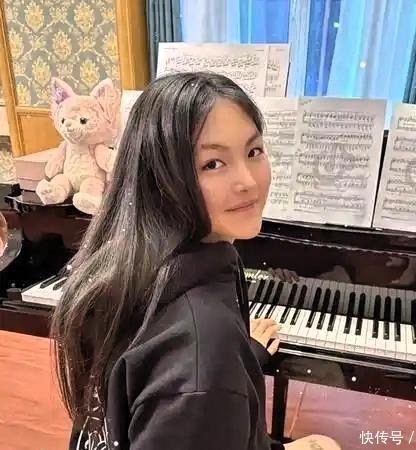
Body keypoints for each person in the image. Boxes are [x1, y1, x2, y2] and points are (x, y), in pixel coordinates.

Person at [51, 72, 340, 450]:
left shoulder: (125, 261)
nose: (248, 181)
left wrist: (241, 356)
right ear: (161, 177)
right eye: (213, 164)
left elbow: (162, 385)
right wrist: (219, 365)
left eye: (253, 151)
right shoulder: (202, 351)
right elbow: (195, 381)